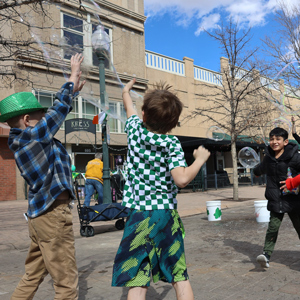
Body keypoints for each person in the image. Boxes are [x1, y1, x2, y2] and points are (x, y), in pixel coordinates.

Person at [112, 78, 211, 300]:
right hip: (164, 215)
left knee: (136, 279)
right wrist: (199, 160)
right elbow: (182, 179)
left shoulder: (135, 131)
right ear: (173, 124)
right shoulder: (172, 144)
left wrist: (126, 91)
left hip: (138, 215)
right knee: (178, 273)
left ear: (144, 115)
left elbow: (129, 107)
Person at [0, 53, 85, 299]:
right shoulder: (32, 137)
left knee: (33, 275)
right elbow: (57, 113)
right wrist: (72, 77)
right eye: (40, 115)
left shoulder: (26, 140)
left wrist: (73, 93)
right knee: (66, 284)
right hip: (52, 215)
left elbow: (57, 113)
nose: (45, 119)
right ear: (27, 120)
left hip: (40, 218)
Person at [253, 127, 300, 269]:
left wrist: (294, 184)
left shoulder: (295, 156)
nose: (274, 142)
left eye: (278, 139)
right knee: (272, 228)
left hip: (294, 201)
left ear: (285, 141)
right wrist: (255, 171)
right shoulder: (268, 158)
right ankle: (266, 255)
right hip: (276, 200)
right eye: (272, 139)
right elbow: (261, 168)